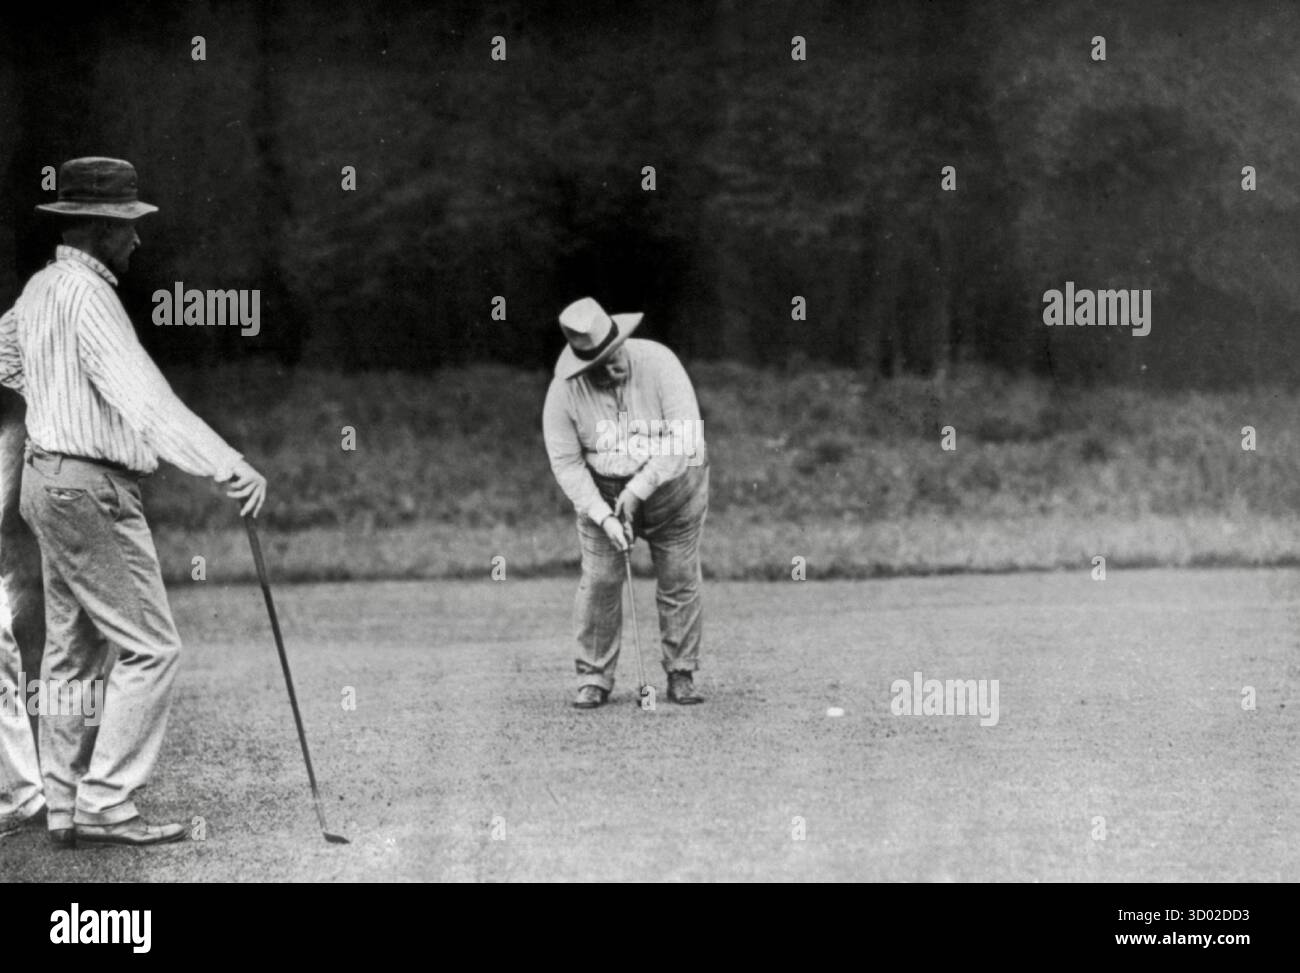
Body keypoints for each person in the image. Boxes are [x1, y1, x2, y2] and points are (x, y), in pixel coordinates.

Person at [0, 157, 267, 848]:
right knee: (152, 646)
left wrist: (50, 397)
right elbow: (147, 402)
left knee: (69, 648)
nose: (137, 240)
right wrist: (226, 463)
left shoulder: (38, 290)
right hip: (91, 488)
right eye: (126, 226)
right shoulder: (91, 297)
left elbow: (3, 357)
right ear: (94, 227)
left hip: (44, 480)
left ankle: (62, 801)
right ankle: (107, 800)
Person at [542, 297, 709, 709]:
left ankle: (681, 672)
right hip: (602, 493)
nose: (609, 370)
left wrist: (637, 492)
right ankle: (594, 678)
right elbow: (566, 464)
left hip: (675, 487)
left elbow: (684, 439)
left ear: (622, 341)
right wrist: (604, 515)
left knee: (678, 574)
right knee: (599, 580)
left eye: (613, 357)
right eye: (595, 367)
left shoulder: (661, 363)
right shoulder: (562, 394)